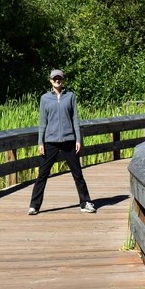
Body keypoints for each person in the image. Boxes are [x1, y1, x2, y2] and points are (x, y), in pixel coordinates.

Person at [28, 69, 95, 215]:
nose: (57, 80)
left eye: (59, 78)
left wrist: (78, 139)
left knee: (77, 173)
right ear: (50, 80)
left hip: (69, 140)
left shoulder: (70, 96)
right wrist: (40, 142)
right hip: (50, 141)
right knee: (42, 174)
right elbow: (42, 122)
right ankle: (34, 205)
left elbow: (75, 119)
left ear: (63, 80)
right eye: (54, 78)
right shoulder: (45, 98)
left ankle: (85, 202)